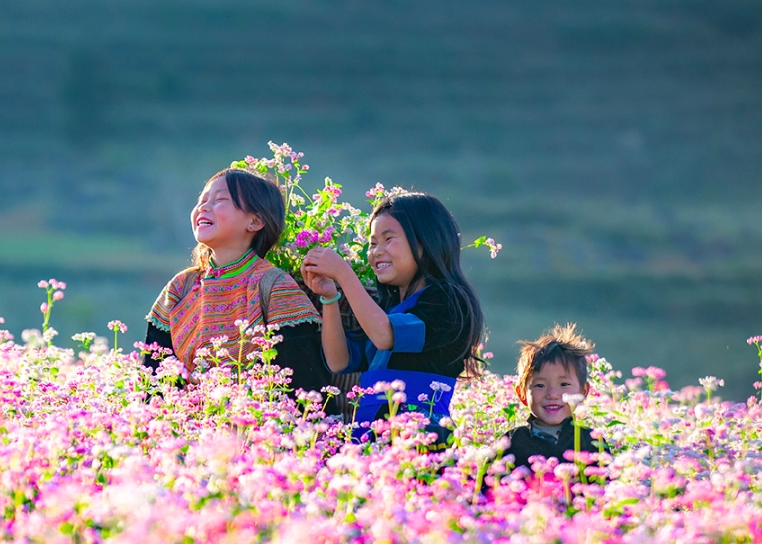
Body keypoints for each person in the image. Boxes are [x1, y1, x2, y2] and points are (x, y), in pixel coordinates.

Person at [300, 192, 485, 449]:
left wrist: (344, 273)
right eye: (373, 243)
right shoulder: (387, 310)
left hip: (420, 436)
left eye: (388, 239)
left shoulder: (448, 299)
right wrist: (330, 298)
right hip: (371, 435)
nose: (376, 251)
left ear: (426, 241)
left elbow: (386, 336)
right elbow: (338, 361)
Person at [144, 167, 335, 409]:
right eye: (202, 201)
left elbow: (304, 386)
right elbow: (153, 380)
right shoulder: (180, 288)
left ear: (255, 221)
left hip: (256, 428)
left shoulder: (275, 287)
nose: (203, 207)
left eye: (220, 200)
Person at [506, 323, 606, 470]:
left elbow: (606, 487)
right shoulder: (511, 442)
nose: (552, 395)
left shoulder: (592, 442)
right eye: (540, 385)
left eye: (564, 384)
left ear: (583, 391)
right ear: (522, 394)